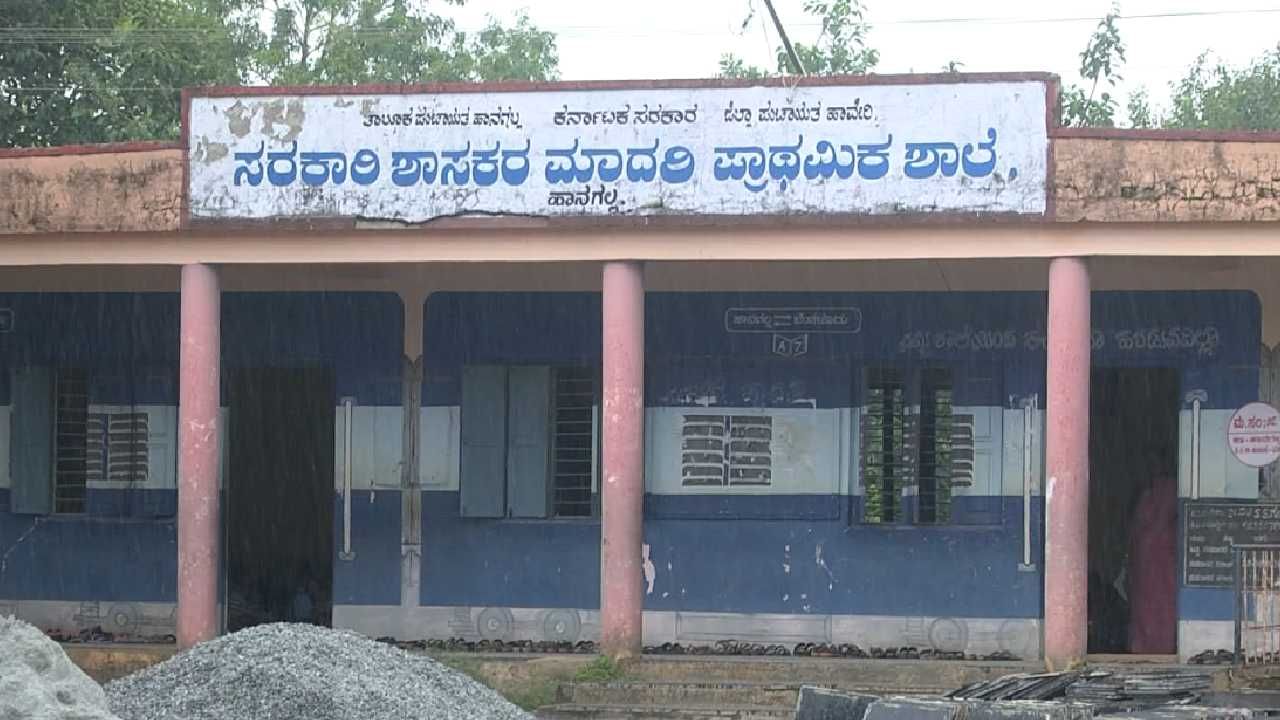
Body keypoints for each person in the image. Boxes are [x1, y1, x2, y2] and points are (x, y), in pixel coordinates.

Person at [1127, 449, 1178, 654]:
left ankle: (1151, 647)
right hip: (1152, 562)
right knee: (1154, 608)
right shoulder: (1155, 493)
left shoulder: (1159, 493)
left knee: (1154, 608)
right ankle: (1154, 647)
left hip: (1156, 561)